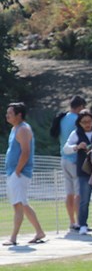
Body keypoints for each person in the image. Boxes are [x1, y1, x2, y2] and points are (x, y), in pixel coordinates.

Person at [4, 102, 45, 245]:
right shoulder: (15, 129)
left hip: (19, 173)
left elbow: (25, 152)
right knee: (23, 204)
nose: (7, 115)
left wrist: (17, 170)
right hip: (14, 172)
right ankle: (39, 232)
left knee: (18, 205)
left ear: (19, 114)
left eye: (10, 113)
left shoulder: (23, 129)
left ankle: (13, 238)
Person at [62, 109, 92, 235]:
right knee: (84, 199)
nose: (87, 124)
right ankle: (83, 224)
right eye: (84, 122)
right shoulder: (76, 134)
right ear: (79, 123)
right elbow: (66, 149)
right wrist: (77, 147)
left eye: (89, 121)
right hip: (84, 170)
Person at [59, 95, 85, 231]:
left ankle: (71, 221)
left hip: (63, 158)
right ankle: (80, 222)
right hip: (75, 159)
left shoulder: (63, 118)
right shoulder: (78, 120)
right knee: (78, 192)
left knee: (69, 192)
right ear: (80, 107)